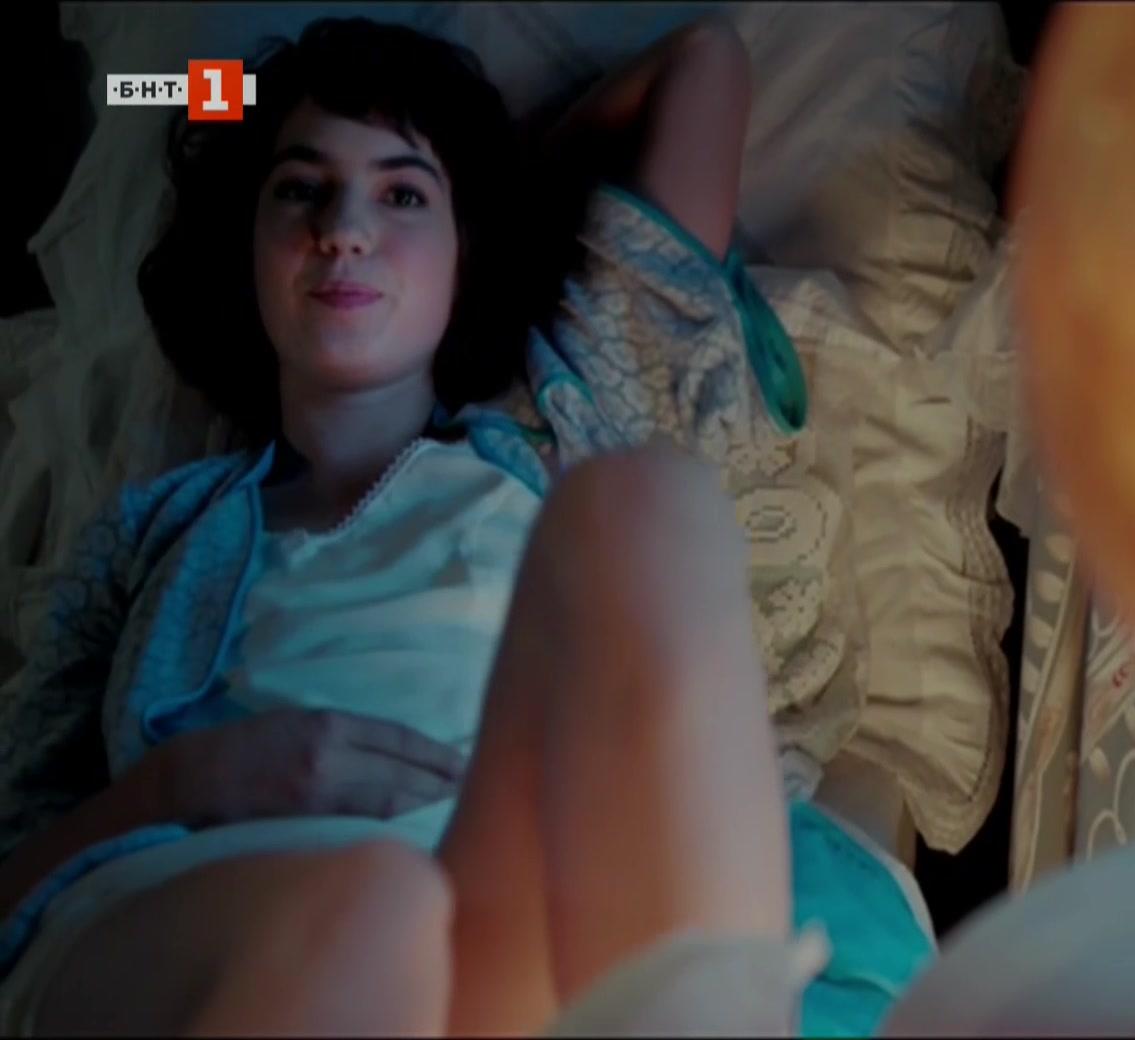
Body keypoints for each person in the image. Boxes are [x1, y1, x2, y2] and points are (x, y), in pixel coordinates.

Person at [0, 17, 933, 1036]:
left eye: (403, 195)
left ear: (465, 251)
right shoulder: (149, 533)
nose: (344, 228)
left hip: (488, 914)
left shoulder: (560, 425)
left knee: (660, 509)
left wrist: (491, 184)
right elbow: (140, 89)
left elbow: (704, 59)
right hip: (183, 905)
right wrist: (182, 783)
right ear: (248, 246)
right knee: (379, 906)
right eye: (301, 189)